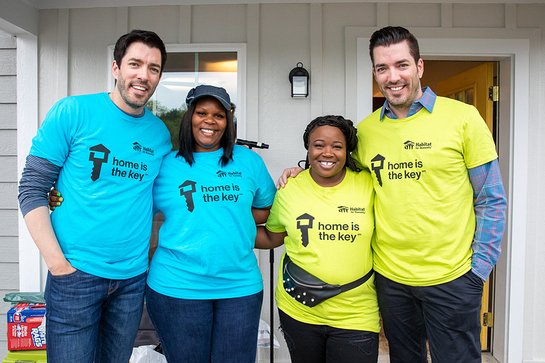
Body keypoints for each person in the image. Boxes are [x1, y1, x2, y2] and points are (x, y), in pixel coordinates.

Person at [280, 26, 507, 363]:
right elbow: (335, 167)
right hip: (391, 280)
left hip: (453, 277)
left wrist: (478, 271)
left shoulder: (462, 118)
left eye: (401, 65)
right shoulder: (367, 131)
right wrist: (301, 171)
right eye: (382, 68)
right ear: (374, 72)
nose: (392, 77)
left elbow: (491, 198)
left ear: (419, 66)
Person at [17, 30, 171, 362]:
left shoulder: (159, 135)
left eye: (154, 68)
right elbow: (32, 188)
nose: (143, 75)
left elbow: (165, 195)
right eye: (135, 64)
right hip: (74, 275)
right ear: (116, 67)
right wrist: (58, 264)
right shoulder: (73, 112)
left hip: (131, 279)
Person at [144, 85, 277, 363]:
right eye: (201, 112)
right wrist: (62, 197)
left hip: (239, 289)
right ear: (189, 116)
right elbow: (130, 207)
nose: (209, 121)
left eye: (219, 115)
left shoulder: (249, 161)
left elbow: (267, 208)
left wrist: (233, 218)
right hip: (176, 287)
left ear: (228, 122)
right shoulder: (166, 165)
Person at [256, 115, 380, 363]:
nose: (327, 152)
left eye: (337, 146)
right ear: (308, 148)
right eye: (318, 145)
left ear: (348, 151)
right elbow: (272, 236)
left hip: (356, 313)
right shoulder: (290, 188)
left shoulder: (369, 184)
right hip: (300, 310)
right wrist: (224, 230)